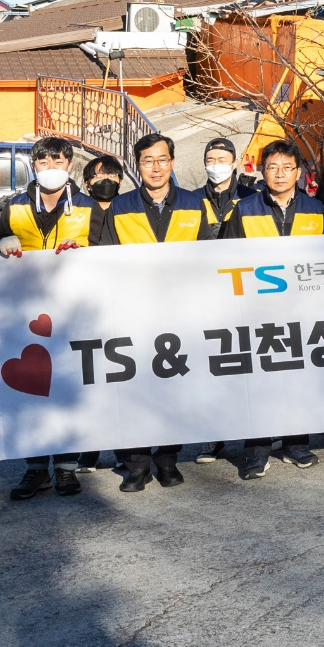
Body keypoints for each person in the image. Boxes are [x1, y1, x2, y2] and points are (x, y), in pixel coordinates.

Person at [0, 136, 94, 501]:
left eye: (58, 161)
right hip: (25, 313)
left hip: (71, 310)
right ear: (33, 167)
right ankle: (35, 469)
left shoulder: (87, 206)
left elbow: (104, 252)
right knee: (31, 387)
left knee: (67, 386)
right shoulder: (15, 205)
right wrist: (0, 245)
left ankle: (66, 468)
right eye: (43, 162)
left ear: (70, 165)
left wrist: (84, 254)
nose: (51, 167)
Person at [218, 140, 324, 477]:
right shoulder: (244, 209)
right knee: (258, 380)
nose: (280, 174)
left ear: (299, 172)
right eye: (273, 167)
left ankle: (296, 444)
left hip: (301, 310)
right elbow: (226, 257)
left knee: (298, 377)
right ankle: (256, 451)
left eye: (287, 167)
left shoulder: (315, 209)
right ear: (262, 171)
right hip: (257, 311)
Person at [107, 133, 208, 489]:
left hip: (180, 313)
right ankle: (137, 465)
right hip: (134, 313)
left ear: (173, 163)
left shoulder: (195, 204)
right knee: (134, 388)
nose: (155, 167)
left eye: (162, 159)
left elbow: (209, 257)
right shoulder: (120, 207)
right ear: (138, 165)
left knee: (172, 386)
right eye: (148, 160)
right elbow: (106, 258)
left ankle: (167, 460)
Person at [72, 155, 128, 476]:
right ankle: (89, 451)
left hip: (123, 306)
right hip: (87, 306)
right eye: (98, 176)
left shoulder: (131, 210)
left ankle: (124, 450)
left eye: (112, 175)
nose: (105, 180)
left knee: (121, 380)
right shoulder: (77, 212)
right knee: (89, 380)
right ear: (87, 183)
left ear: (120, 180)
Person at [198, 136, 256, 239]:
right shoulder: (193, 199)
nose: (216, 164)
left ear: (234, 163)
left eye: (222, 160)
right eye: (210, 160)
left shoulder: (250, 198)